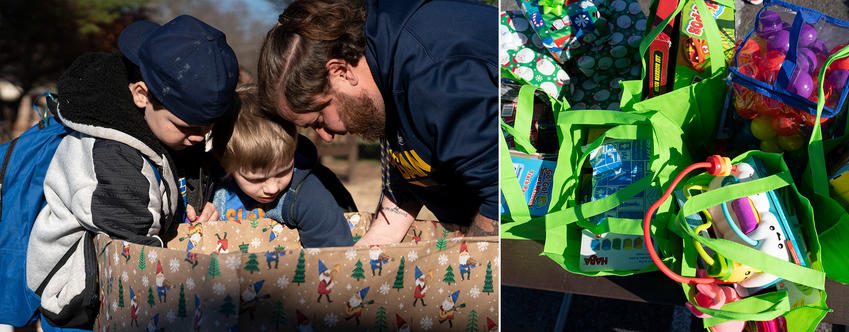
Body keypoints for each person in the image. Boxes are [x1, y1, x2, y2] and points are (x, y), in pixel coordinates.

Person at [25, 15, 238, 325]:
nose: (198, 137)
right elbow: (137, 255)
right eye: (187, 127)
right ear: (141, 94)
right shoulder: (115, 160)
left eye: (207, 127)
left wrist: (196, 206)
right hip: (75, 296)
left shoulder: (163, 127)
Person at [257, 0, 499, 246]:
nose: (327, 136)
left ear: (341, 71)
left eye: (319, 119)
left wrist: (466, 270)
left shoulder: (433, 77)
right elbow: (409, 169)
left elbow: (499, 195)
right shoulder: (381, 70)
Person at [210, 85, 354, 247]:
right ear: (225, 162)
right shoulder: (210, 185)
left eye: (283, 171)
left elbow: (332, 254)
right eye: (256, 179)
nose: (272, 188)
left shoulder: (308, 194)